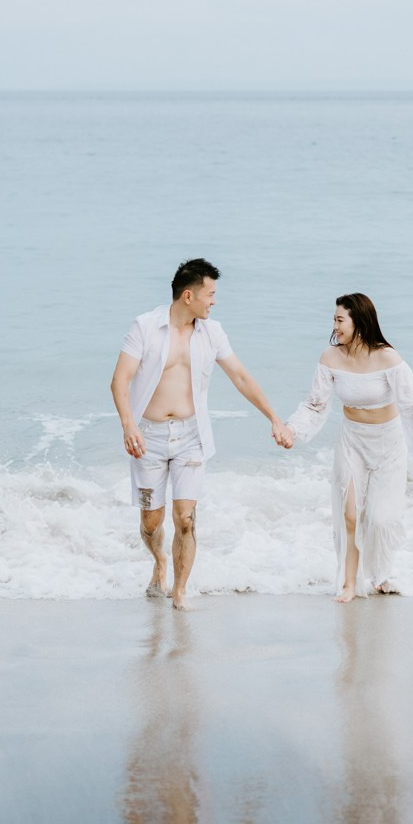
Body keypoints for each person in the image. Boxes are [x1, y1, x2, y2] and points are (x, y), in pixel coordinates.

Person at [110, 258, 290, 609]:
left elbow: (240, 377)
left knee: (185, 519)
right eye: (210, 294)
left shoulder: (213, 332)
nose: (214, 301)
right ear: (188, 295)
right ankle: (159, 560)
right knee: (151, 522)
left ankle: (180, 591)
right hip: (148, 437)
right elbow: (120, 379)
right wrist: (128, 424)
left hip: (192, 436)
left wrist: (274, 418)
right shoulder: (145, 327)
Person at [281, 293, 413, 601]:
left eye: (340, 320)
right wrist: (292, 429)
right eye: (334, 319)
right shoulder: (330, 357)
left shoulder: (388, 358)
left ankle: (379, 573)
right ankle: (349, 583)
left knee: (380, 518)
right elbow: (314, 405)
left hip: (388, 443)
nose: (335, 326)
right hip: (352, 439)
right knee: (349, 514)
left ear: (359, 322)